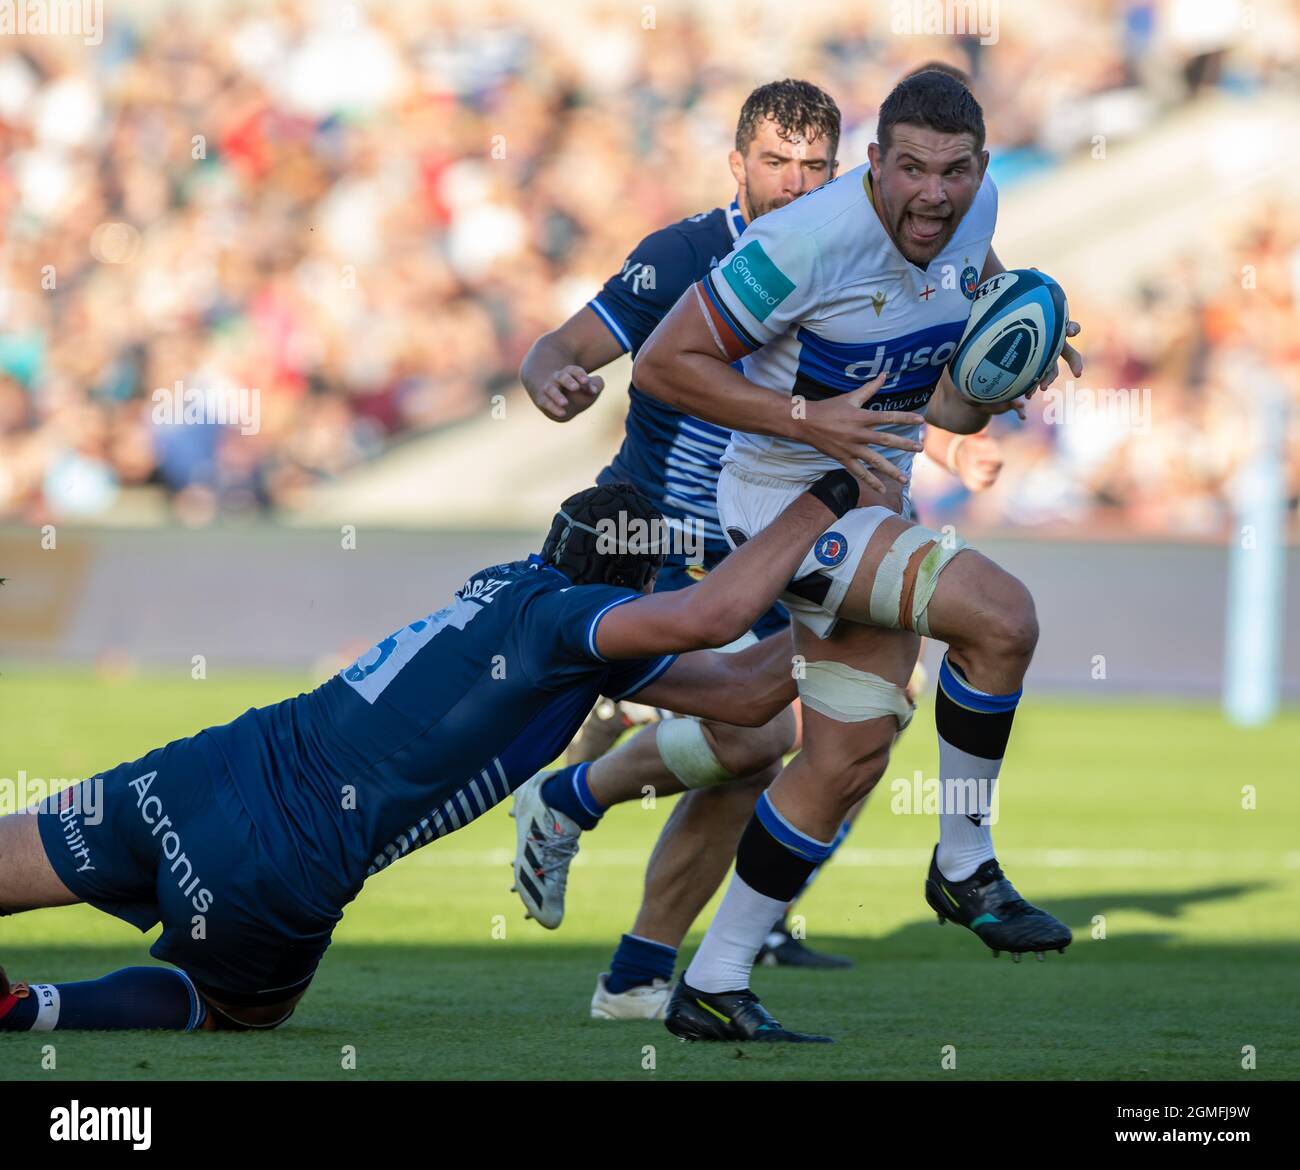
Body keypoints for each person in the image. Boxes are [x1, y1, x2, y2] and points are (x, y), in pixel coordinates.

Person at [0, 474, 864, 1033]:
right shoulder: (566, 623)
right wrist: (829, 500)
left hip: (203, 768)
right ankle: (23, 1010)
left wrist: (823, 627)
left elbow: (750, 693)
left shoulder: (516, 587)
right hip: (282, 860)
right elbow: (712, 620)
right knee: (232, 1007)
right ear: (631, 587)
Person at [516, 78, 1005, 1018]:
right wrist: (553, 374)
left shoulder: (852, 245)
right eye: (775, 163)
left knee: (810, 742)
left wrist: (949, 434)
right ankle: (573, 794)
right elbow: (559, 345)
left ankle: (640, 975)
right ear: (737, 164)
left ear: (843, 171)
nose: (793, 182)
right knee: (763, 728)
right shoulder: (687, 255)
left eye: (812, 166)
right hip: (668, 533)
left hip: (786, 532)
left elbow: (875, 385)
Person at [632, 69, 1083, 1042]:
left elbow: (958, 352)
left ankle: (711, 984)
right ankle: (965, 865)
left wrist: (1022, 336)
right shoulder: (801, 242)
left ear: (981, 168)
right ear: (872, 163)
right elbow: (665, 362)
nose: (933, 193)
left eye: (954, 171)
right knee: (1001, 616)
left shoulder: (974, 210)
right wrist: (806, 418)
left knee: (842, 758)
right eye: (910, 168)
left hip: (869, 496)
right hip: (782, 505)